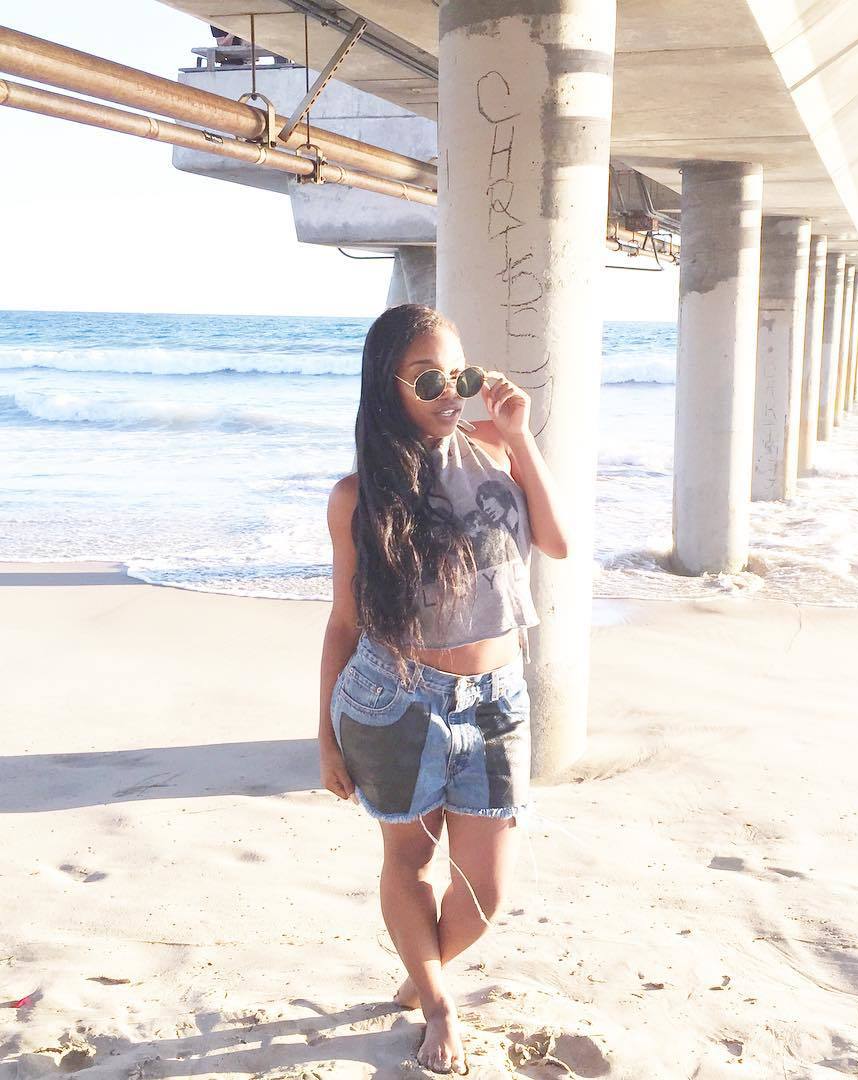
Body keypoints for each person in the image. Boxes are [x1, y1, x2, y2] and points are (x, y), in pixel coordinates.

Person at [318, 303, 569, 1074]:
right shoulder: (357, 497)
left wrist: (522, 435)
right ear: (387, 386)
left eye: (459, 376)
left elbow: (557, 542)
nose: (449, 394)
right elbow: (343, 623)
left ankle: (418, 968)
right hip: (396, 699)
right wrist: (324, 737)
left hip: (497, 699)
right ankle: (436, 1002)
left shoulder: (496, 449)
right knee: (410, 863)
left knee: (485, 894)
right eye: (427, 379)